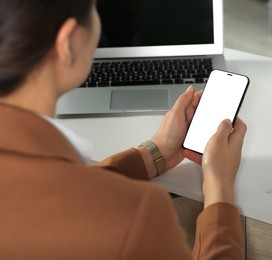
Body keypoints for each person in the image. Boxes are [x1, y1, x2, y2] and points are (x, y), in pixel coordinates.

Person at [0, 0, 247, 259]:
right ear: (67, 42)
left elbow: (51, 200)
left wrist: (153, 153)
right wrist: (219, 184)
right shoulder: (137, 216)